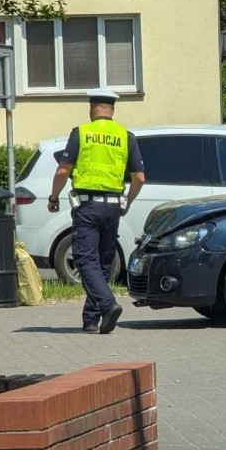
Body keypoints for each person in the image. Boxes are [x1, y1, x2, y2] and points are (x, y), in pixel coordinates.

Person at [46, 89, 145, 334]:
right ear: (113, 110)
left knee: (84, 258)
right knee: (102, 261)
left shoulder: (82, 133)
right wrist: (128, 201)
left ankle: (108, 304)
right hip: (113, 207)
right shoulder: (125, 136)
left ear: (91, 109)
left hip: (88, 207)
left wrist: (54, 197)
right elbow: (139, 178)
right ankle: (91, 320)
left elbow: (63, 170)